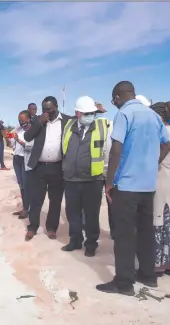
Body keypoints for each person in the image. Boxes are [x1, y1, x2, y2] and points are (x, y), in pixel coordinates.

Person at [97, 81, 170, 296]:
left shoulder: (124, 114)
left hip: (127, 186)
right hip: (148, 186)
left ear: (119, 97)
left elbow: (116, 149)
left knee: (124, 235)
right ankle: (148, 276)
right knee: (145, 232)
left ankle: (124, 283)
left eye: (115, 100)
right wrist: (152, 164)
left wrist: (110, 182)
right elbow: (166, 145)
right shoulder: (153, 116)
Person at [60, 96, 108, 257]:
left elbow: (108, 152)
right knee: (72, 213)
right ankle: (75, 240)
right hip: (71, 179)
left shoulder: (103, 125)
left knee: (91, 214)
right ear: (77, 113)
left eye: (92, 112)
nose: (90, 116)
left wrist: (106, 175)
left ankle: (91, 244)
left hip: (93, 180)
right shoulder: (69, 126)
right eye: (86, 113)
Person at [23, 96, 72, 241]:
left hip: (58, 167)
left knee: (55, 200)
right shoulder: (38, 120)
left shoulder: (67, 121)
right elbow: (27, 137)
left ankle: (51, 228)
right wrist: (39, 123)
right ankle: (32, 227)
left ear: (56, 107)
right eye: (44, 110)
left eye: (49, 110)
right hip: (39, 167)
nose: (47, 113)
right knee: (36, 199)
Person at [150, 101, 170, 277]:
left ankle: (158, 265)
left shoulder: (161, 133)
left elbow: (153, 159)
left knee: (158, 220)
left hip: (160, 180)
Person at [11, 110, 33, 218]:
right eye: (19, 120)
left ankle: (27, 209)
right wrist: (7, 137)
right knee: (21, 185)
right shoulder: (18, 130)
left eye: (22, 120)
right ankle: (25, 207)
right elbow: (11, 145)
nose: (21, 122)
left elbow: (31, 147)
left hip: (26, 160)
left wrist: (19, 140)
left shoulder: (32, 130)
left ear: (29, 119)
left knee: (26, 185)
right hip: (17, 159)